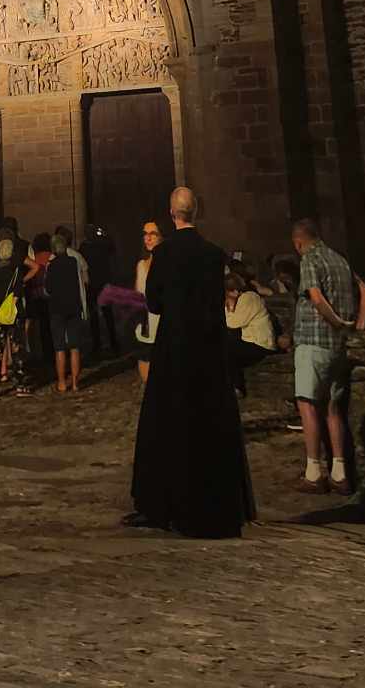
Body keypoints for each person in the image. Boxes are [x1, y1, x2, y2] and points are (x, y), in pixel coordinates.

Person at [126, 187, 254, 537]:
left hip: (175, 346)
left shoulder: (164, 253)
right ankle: (210, 502)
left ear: (172, 214)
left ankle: (164, 503)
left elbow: (153, 302)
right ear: (196, 212)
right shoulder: (213, 254)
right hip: (208, 348)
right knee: (207, 421)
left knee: (168, 422)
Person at [291, 217, 365, 494]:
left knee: (307, 404)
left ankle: (313, 473)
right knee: (333, 408)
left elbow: (315, 297)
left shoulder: (309, 259)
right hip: (338, 346)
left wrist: (335, 321)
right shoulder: (340, 260)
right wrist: (357, 326)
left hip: (313, 341)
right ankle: (340, 472)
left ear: (298, 242)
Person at [0, 230, 31, 396]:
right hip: (14, 315)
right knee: (17, 350)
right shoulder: (15, 272)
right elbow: (17, 295)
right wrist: (8, 310)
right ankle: (19, 385)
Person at [44, 226, 90, 394]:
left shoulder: (51, 265)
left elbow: (47, 289)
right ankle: (76, 383)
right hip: (74, 306)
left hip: (57, 309)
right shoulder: (73, 262)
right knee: (75, 346)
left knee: (60, 347)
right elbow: (81, 282)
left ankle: (62, 382)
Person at [224, 269, 276, 394]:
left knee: (226, 347)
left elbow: (233, 322)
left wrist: (229, 305)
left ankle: (237, 387)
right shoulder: (240, 299)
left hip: (260, 345)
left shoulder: (249, 298)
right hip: (249, 343)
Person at [79, 222, 118, 358]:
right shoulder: (102, 244)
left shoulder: (84, 247)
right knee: (107, 314)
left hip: (93, 283)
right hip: (102, 282)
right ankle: (112, 342)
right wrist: (104, 234)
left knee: (96, 315)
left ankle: (98, 344)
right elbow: (112, 248)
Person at [133, 219, 163, 387]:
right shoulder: (141, 265)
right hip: (145, 325)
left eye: (153, 234)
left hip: (164, 325)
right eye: (145, 234)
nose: (148, 238)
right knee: (145, 366)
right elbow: (137, 295)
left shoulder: (168, 264)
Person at [24, 232, 53, 366]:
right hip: (51, 295)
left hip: (37, 295)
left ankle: (43, 353)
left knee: (41, 327)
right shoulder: (51, 257)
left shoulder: (34, 259)